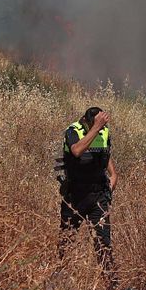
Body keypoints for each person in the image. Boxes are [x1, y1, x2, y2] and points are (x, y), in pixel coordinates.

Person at [58, 105, 116, 268]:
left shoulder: (103, 132)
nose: (100, 127)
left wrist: (112, 181)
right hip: (75, 197)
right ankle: (59, 285)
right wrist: (96, 127)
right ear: (86, 120)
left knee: (104, 246)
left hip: (98, 198)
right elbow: (76, 150)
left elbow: (107, 159)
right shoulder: (73, 130)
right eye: (97, 124)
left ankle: (113, 289)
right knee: (66, 244)